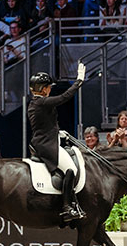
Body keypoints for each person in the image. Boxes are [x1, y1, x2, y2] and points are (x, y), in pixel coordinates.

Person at [28, 63, 86, 222]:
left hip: (46, 139)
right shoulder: (41, 102)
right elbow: (64, 97)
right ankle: (67, 207)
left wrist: (58, 132)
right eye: (48, 87)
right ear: (42, 88)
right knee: (71, 169)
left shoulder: (36, 103)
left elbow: (45, 124)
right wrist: (78, 81)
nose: (50, 89)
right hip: (46, 144)